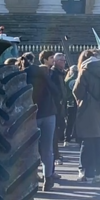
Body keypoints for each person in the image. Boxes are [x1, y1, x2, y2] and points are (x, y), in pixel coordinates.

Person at [25, 50, 60, 190]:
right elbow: (57, 92)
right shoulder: (47, 75)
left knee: (29, 148)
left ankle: (31, 177)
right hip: (49, 113)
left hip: (32, 114)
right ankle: (48, 178)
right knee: (47, 148)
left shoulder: (26, 75)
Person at [73, 51, 100, 183]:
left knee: (86, 143)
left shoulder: (85, 71)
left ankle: (86, 174)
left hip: (87, 109)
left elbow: (77, 91)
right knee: (99, 143)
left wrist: (80, 100)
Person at [52, 53, 70, 165]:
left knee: (60, 128)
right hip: (56, 106)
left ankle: (56, 153)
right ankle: (55, 154)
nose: (64, 62)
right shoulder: (54, 73)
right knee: (55, 130)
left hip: (61, 105)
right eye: (62, 60)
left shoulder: (61, 73)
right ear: (56, 61)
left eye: (64, 60)